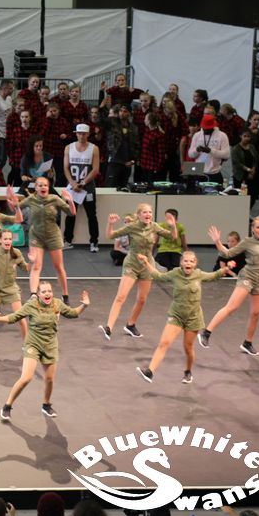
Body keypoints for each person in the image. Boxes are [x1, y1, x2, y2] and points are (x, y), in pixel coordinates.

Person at [0, 283, 89, 420]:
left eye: (49, 291)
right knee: (26, 377)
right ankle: (7, 406)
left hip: (50, 346)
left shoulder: (57, 303)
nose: (47, 294)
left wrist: (84, 305)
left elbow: (73, 313)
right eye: (44, 292)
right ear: (38, 294)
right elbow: (13, 317)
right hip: (33, 344)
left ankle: (46, 405)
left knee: (49, 379)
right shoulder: (32, 305)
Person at [135, 251, 230, 384]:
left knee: (188, 348)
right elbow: (158, 276)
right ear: (181, 263)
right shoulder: (175, 273)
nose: (188, 263)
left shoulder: (198, 274)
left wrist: (225, 269)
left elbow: (214, 276)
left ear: (195, 264)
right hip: (176, 315)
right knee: (164, 343)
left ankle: (188, 372)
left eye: (191, 261)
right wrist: (146, 262)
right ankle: (150, 372)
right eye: (185, 261)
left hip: (193, 318)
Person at [99, 204, 178, 341]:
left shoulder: (154, 226)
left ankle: (131, 325)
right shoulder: (132, 227)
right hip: (132, 264)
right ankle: (109, 327)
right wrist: (110, 224)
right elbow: (110, 235)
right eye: (145, 212)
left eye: (150, 212)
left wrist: (173, 226)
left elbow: (173, 237)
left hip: (147, 265)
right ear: (139, 215)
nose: (148, 214)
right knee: (121, 296)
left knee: (142, 299)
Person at [199, 218, 259, 355]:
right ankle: (206, 333)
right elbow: (227, 253)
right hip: (247, 277)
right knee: (232, 307)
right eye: (258, 227)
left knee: (256, 313)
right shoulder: (247, 242)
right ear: (253, 229)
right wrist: (217, 241)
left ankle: (247, 343)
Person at [19, 178, 76, 301]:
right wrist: (12, 202)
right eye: (40, 185)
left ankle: (65, 296)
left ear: (48, 187)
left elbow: (71, 213)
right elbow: (16, 208)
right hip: (36, 235)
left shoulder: (55, 199)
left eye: (45, 185)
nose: (43, 187)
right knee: (36, 266)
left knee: (58, 266)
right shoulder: (31, 199)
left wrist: (70, 201)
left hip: (53, 235)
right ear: (36, 188)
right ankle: (33, 295)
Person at [63, 123, 100, 252]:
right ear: (76, 134)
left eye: (84, 134)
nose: (81, 136)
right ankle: (68, 240)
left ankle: (94, 242)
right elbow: (66, 168)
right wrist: (73, 183)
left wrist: (83, 183)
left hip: (87, 187)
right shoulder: (69, 147)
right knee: (70, 214)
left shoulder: (94, 148)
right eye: (79, 133)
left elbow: (95, 169)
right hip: (73, 187)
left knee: (92, 215)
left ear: (88, 134)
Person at [188, 114, 230, 185]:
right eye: (204, 128)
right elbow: (190, 155)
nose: (205, 130)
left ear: (213, 127)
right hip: (198, 171)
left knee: (214, 191)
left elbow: (226, 155)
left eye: (207, 129)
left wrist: (211, 151)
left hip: (214, 172)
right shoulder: (197, 135)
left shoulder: (222, 136)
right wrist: (197, 150)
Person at [105, 104, 138, 189]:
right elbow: (101, 119)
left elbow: (137, 145)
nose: (122, 113)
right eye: (120, 111)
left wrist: (133, 161)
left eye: (125, 111)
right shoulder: (113, 123)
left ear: (129, 113)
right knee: (110, 187)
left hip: (127, 163)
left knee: (124, 188)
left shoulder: (133, 127)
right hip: (114, 160)